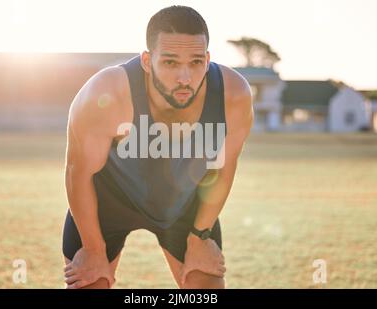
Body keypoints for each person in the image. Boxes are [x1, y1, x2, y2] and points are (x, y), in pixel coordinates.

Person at [62, 5, 253, 289]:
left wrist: (200, 236)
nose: (185, 78)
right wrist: (93, 250)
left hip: (183, 203)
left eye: (196, 62)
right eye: (171, 63)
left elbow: (224, 170)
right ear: (147, 61)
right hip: (107, 202)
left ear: (208, 59)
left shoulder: (232, 95)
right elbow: (78, 174)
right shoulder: (107, 92)